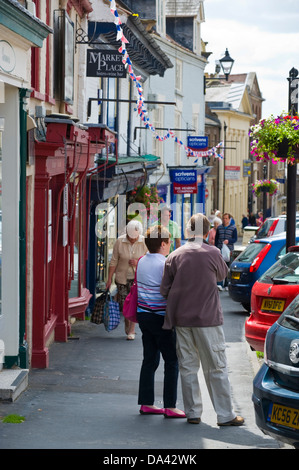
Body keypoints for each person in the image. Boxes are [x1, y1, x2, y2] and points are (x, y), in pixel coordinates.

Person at [160, 213, 244, 427]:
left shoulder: (175, 255)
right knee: (216, 366)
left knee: (188, 367)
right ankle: (225, 415)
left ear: (188, 231)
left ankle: (193, 412)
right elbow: (222, 276)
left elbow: (164, 290)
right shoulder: (213, 252)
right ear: (207, 232)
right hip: (207, 319)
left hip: (181, 319)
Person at [137, 225, 185, 419]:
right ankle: (170, 405)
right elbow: (172, 290)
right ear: (164, 243)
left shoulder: (141, 261)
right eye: (169, 242)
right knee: (172, 361)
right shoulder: (165, 264)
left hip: (143, 315)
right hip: (160, 318)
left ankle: (146, 402)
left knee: (149, 359)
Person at [106, 220, 147, 340]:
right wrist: (109, 279)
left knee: (134, 303)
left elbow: (149, 258)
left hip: (137, 278)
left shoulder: (144, 241)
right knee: (124, 304)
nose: (132, 239)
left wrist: (138, 262)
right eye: (130, 236)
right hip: (122, 278)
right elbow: (114, 260)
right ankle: (128, 326)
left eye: (135, 237)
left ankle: (132, 330)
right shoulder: (120, 241)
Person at [215, 213, 238, 289]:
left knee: (228, 267)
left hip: (229, 251)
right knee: (220, 267)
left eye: (226, 218)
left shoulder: (233, 228)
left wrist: (229, 241)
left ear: (229, 219)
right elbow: (216, 239)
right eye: (223, 218)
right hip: (220, 250)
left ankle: (227, 284)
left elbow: (235, 239)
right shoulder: (219, 228)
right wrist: (216, 248)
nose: (224, 220)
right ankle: (219, 284)